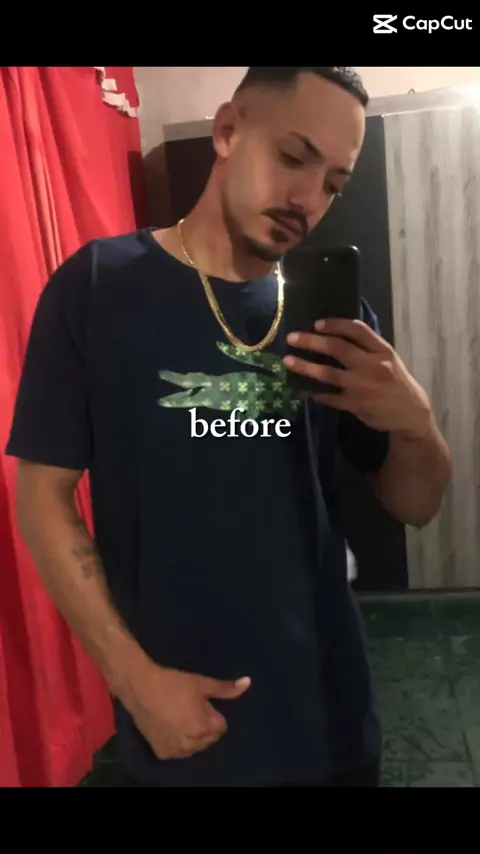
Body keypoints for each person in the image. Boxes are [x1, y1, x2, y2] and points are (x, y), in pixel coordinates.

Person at [6, 67, 451, 788]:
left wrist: (417, 424)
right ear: (227, 130)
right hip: (182, 722)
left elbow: (418, 504)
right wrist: (132, 681)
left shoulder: (337, 324)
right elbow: (41, 496)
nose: (309, 199)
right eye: (294, 156)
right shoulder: (97, 288)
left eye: (334, 184)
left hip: (332, 716)